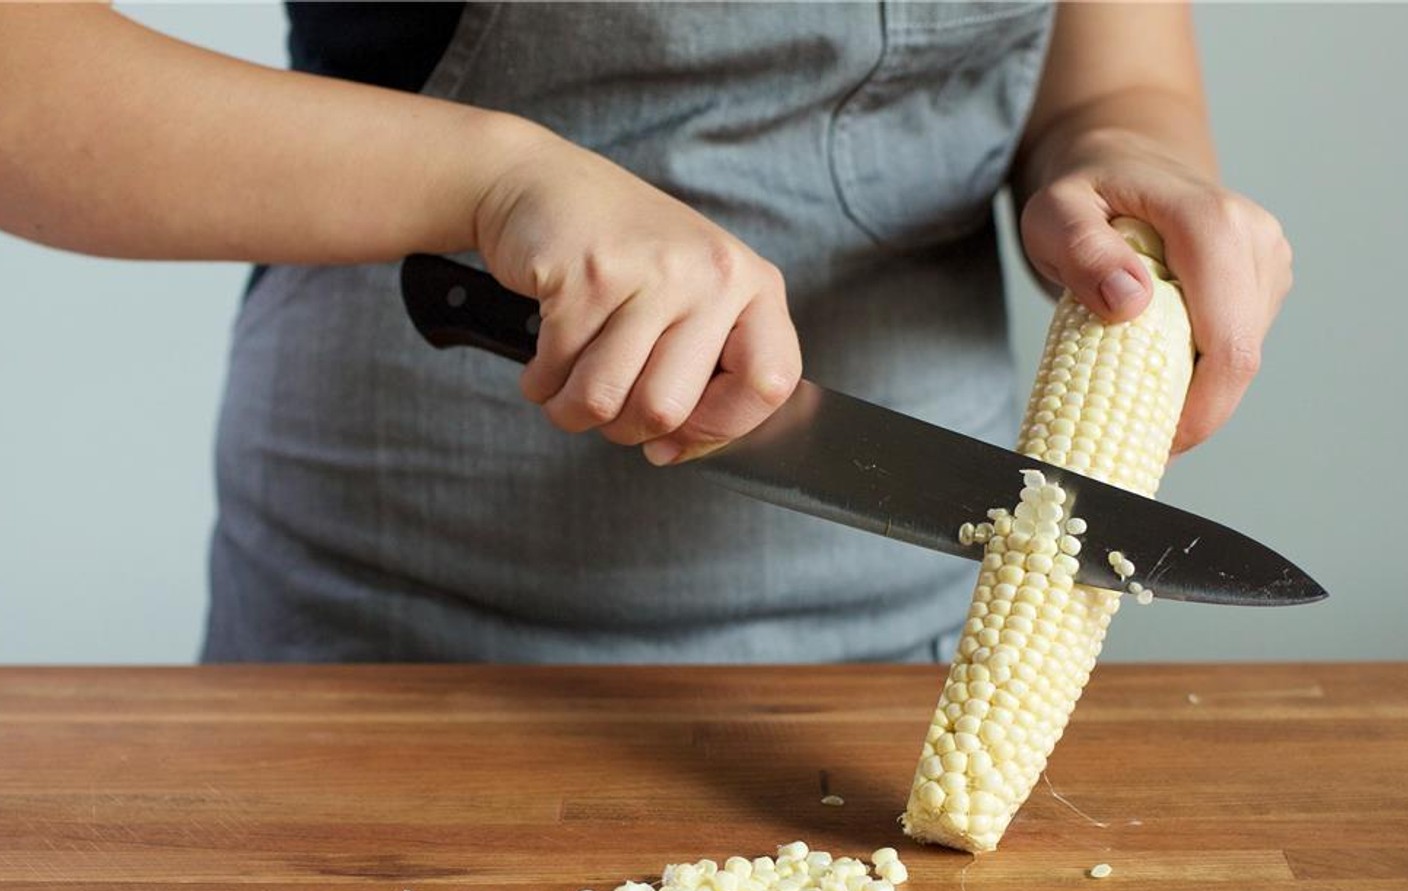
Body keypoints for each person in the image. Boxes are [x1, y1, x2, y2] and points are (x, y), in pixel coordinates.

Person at [0, 2, 1291, 663]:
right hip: (404, 612)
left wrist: (1124, 157)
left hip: (926, 616)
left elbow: (1116, 70)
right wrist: (496, 181)